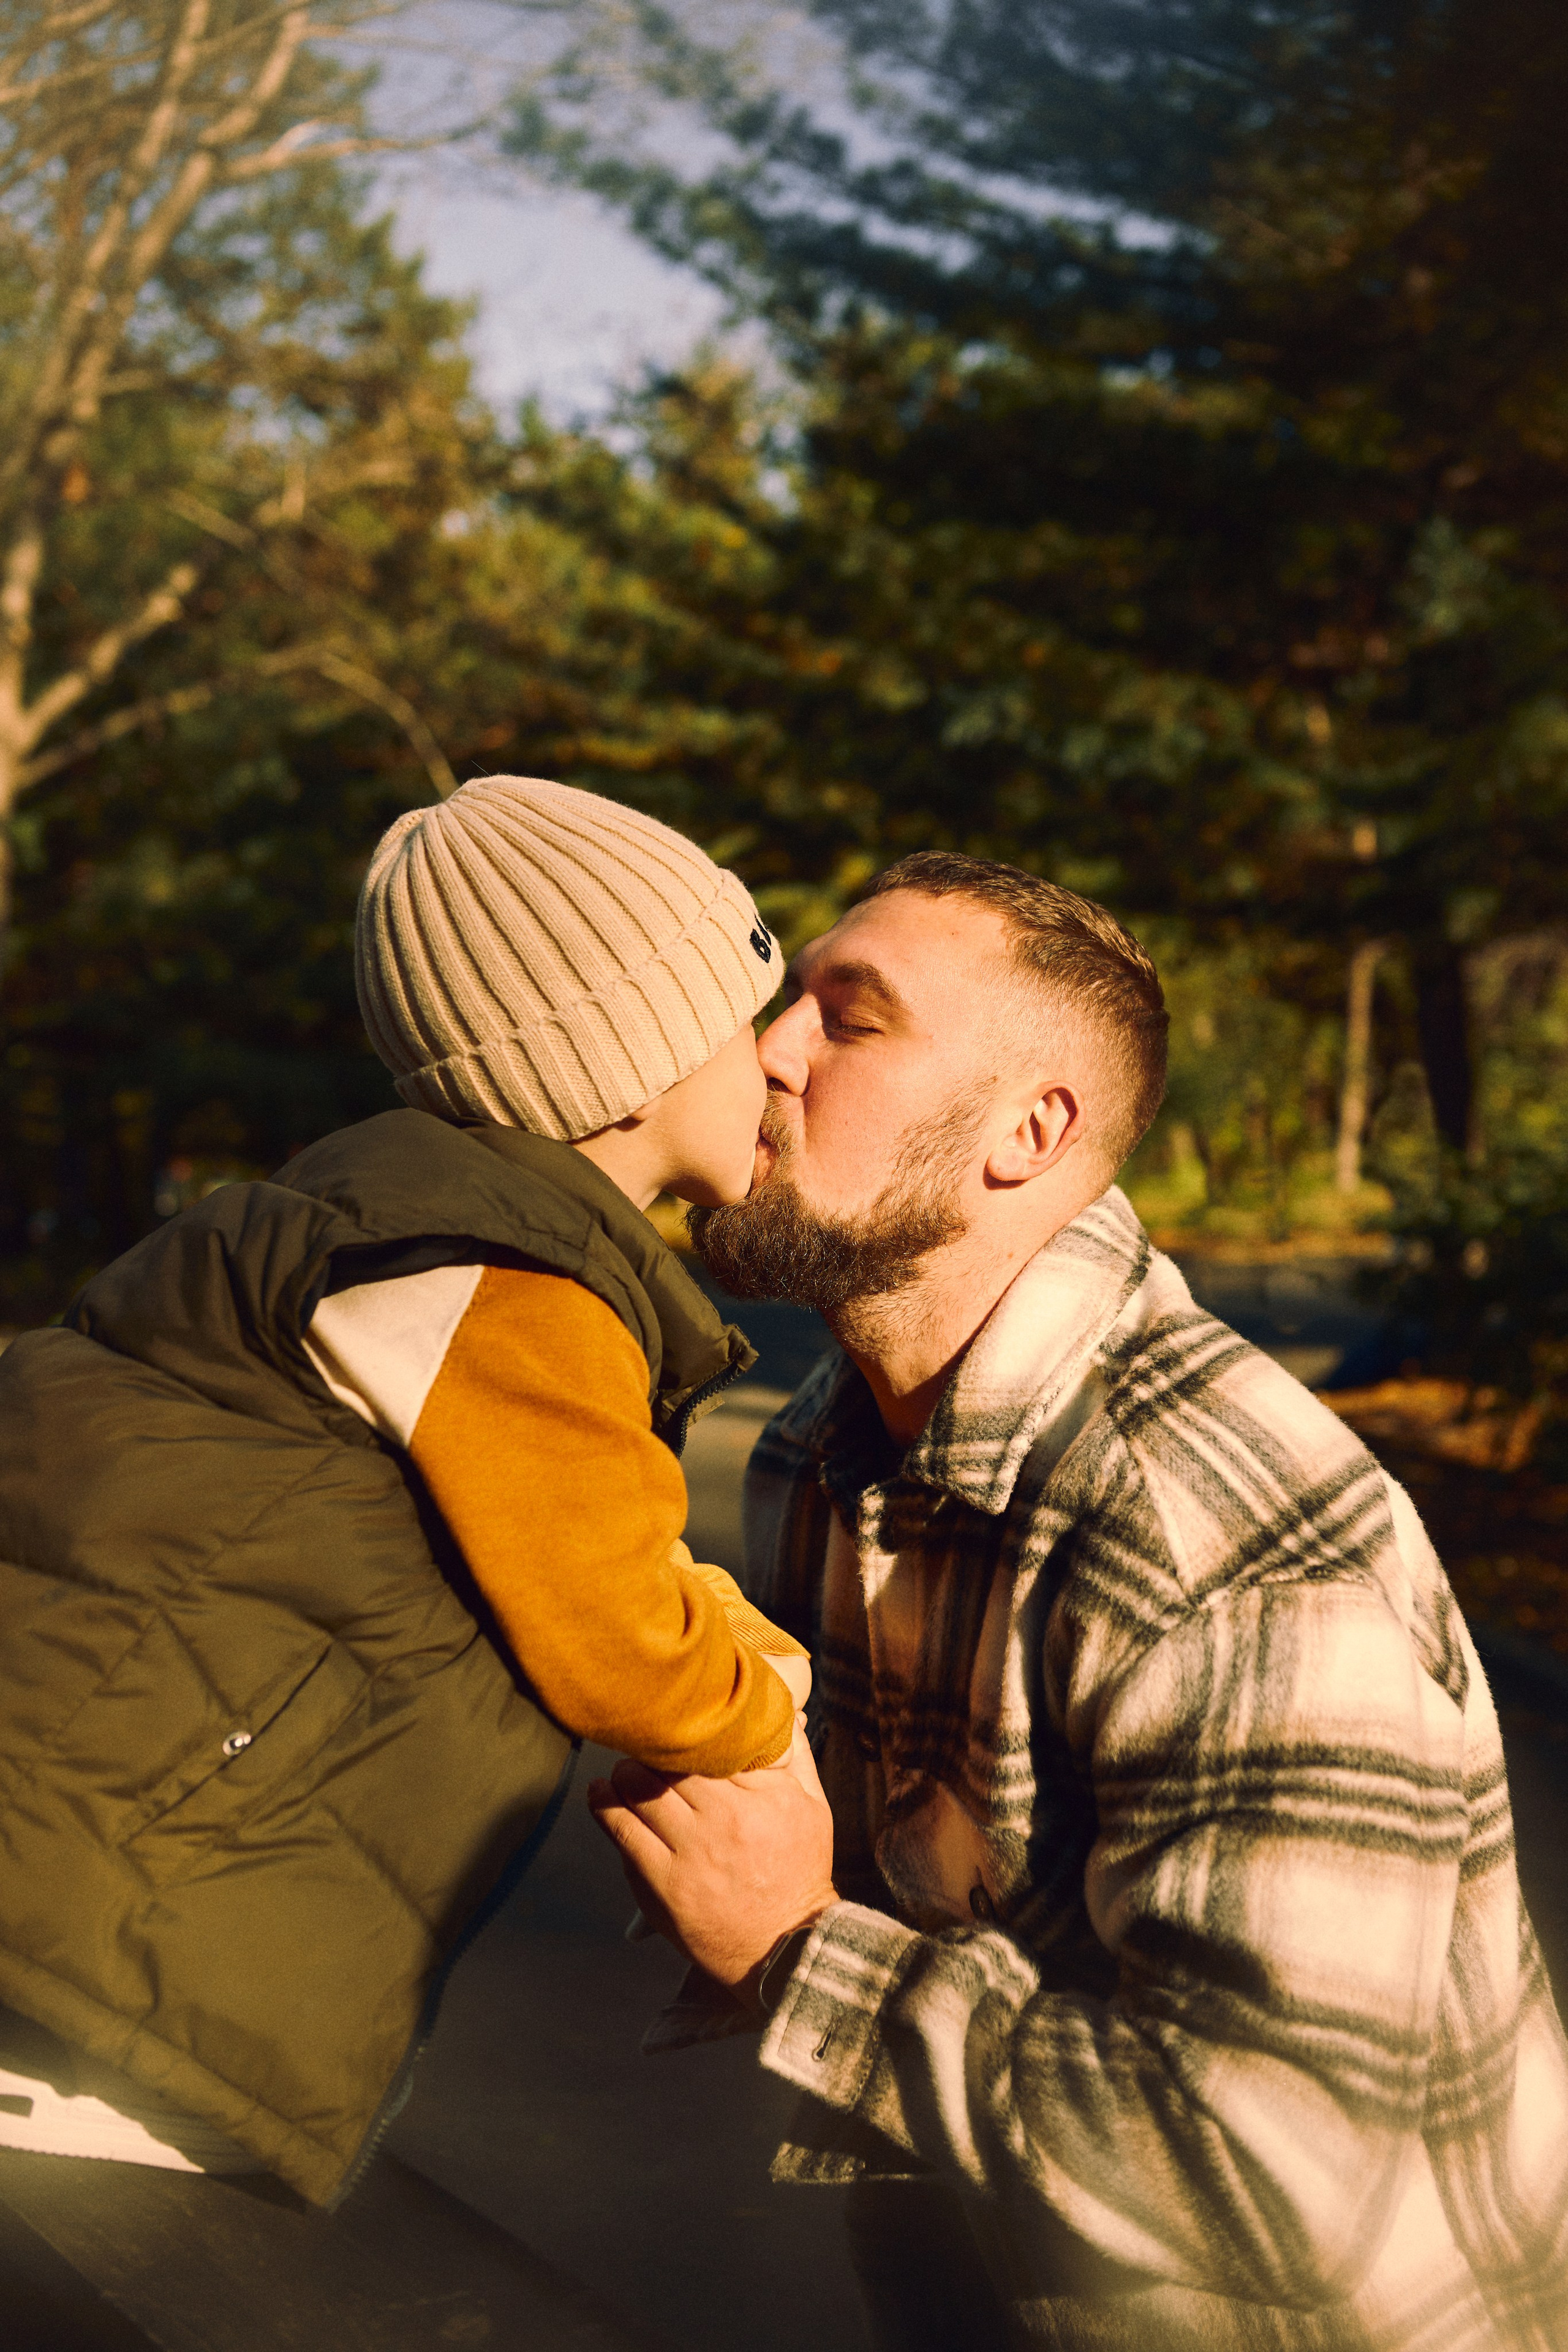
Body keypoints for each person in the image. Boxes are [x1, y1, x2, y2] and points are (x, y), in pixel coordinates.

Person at [590, 852, 1568, 2351]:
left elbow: (1274, 2180)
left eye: (849, 1018)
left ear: (1027, 1132)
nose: (765, 1052)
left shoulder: (1219, 1540)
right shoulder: (813, 1456)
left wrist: (796, 1948)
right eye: (785, 1004)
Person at [0, 775, 808, 2206]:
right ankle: (87, 2071)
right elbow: (610, 1636)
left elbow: (549, 1526)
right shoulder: (518, 1289)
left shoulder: (411, 1223)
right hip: (106, 1921)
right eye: (747, 1023)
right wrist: (763, 1701)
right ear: (632, 1064)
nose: (781, 1056)